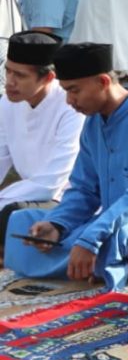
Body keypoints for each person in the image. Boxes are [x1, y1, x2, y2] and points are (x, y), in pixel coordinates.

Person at [5, 43, 128, 288]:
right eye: (65, 92)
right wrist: (57, 225)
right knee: (23, 221)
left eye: (74, 91)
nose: (69, 101)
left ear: (103, 82)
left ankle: (93, 260)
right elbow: (84, 190)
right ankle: (91, 261)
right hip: (110, 221)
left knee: (113, 239)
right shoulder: (93, 124)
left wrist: (91, 239)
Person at [0, 33, 84, 252]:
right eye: (7, 71)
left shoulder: (71, 108)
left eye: (19, 75)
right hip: (25, 196)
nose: (9, 82)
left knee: (12, 215)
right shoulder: (7, 104)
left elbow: (51, 183)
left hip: (65, 199)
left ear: (48, 78)